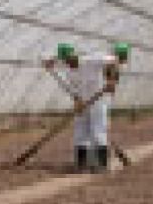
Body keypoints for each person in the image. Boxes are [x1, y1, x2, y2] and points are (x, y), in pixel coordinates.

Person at [44, 41, 128, 172]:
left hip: (98, 100)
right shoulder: (68, 70)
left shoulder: (91, 60)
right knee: (80, 132)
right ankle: (81, 164)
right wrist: (77, 100)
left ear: (74, 55)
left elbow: (115, 60)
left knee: (97, 131)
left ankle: (102, 165)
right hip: (83, 103)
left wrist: (112, 80)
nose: (68, 63)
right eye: (65, 60)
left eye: (68, 59)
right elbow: (72, 88)